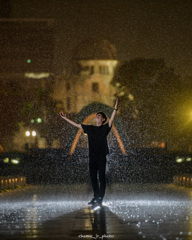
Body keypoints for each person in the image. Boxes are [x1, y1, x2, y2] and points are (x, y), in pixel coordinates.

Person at [60, 98, 119, 206]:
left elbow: (112, 119)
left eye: (99, 116)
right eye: (97, 115)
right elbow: (77, 125)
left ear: (103, 120)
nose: (97, 116)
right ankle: (95, 197)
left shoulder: (105, 128)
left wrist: (115, 108)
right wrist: (65, 118)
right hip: (92, 157)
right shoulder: (90, 129)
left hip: (101, 157)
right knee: (93, 179)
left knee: (101, 178)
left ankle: (100, 198)